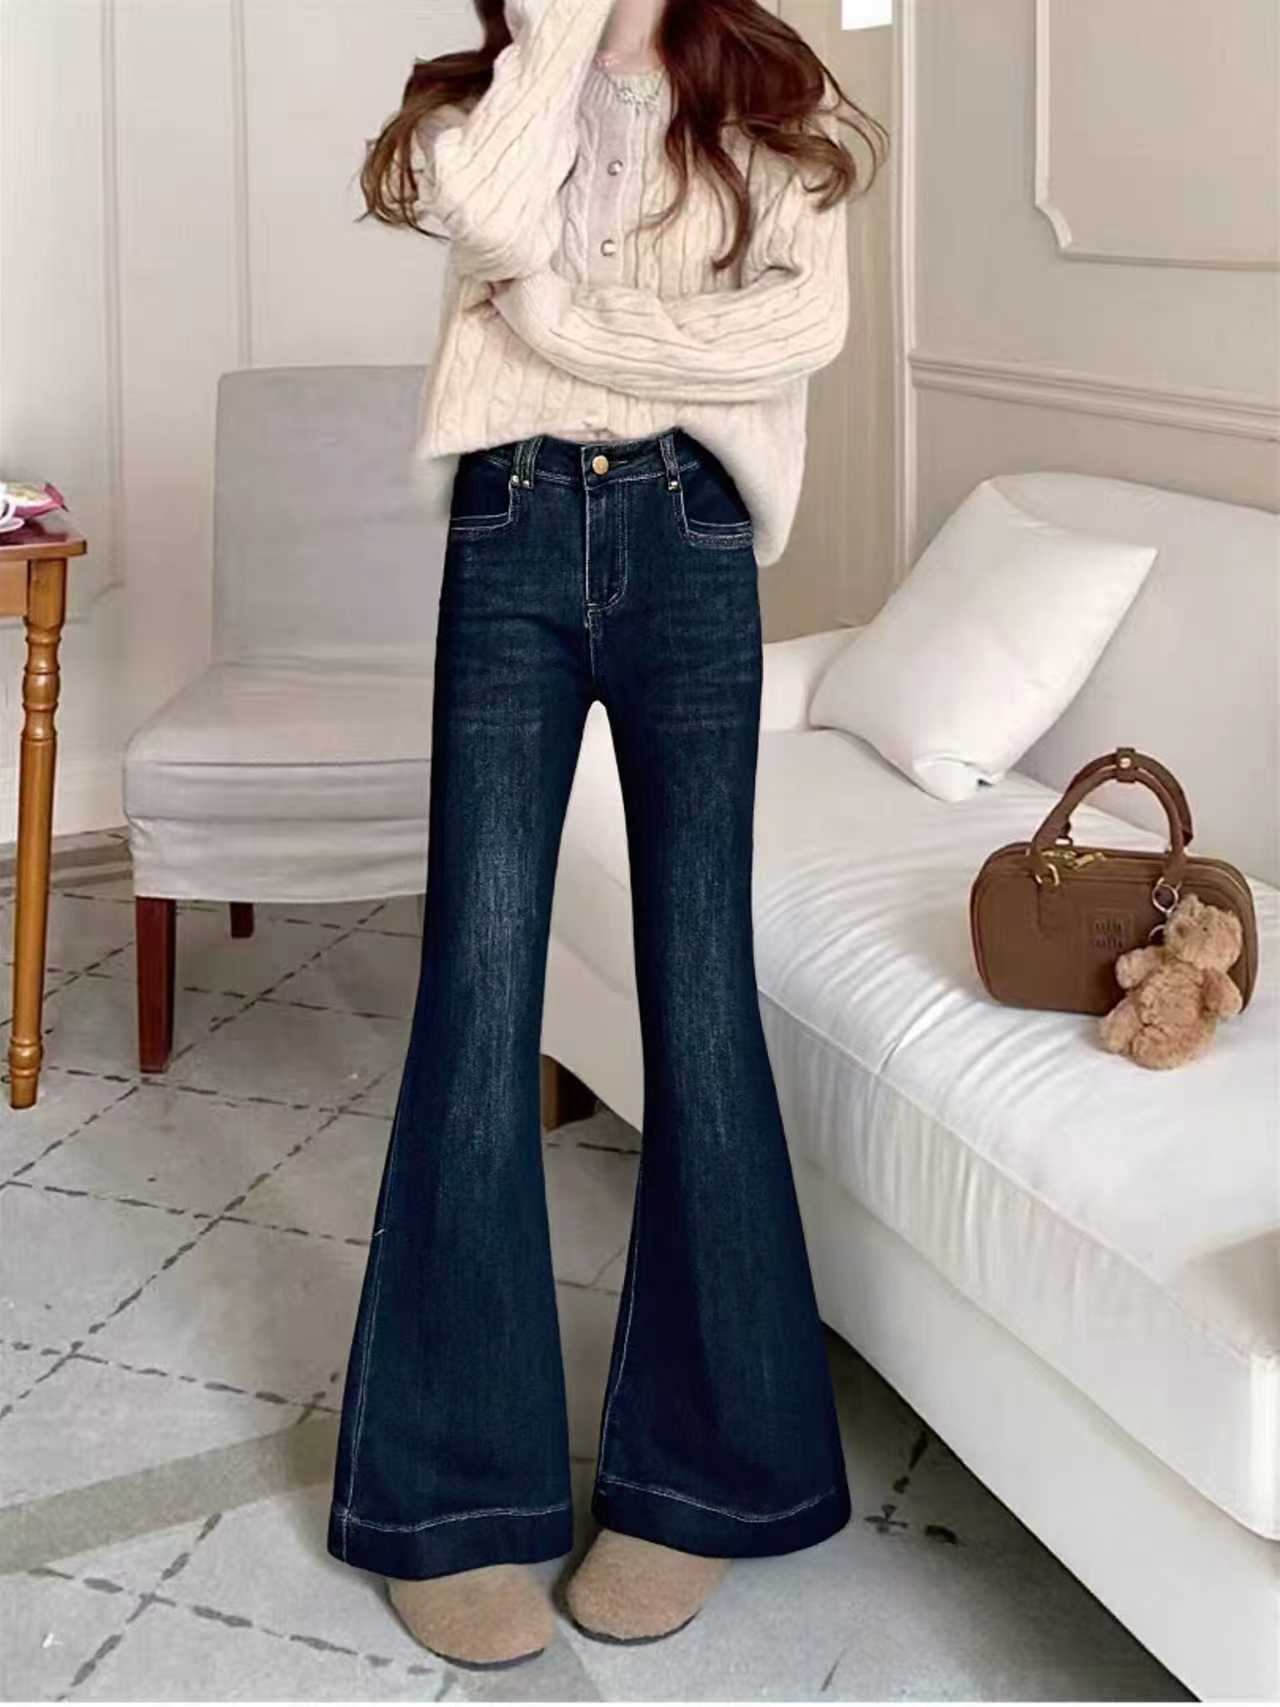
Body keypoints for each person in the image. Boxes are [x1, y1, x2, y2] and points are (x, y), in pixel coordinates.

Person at [327, 0, 888, 1670]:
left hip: (693, 538)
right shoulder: (484, 102)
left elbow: (797, 333)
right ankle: (451, 1498)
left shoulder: (771, 107)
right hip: (507, 526)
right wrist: (561, 29)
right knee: (479, 984)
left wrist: (567, 320)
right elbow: (492, 220)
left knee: (700, 993)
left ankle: (700, 1481)